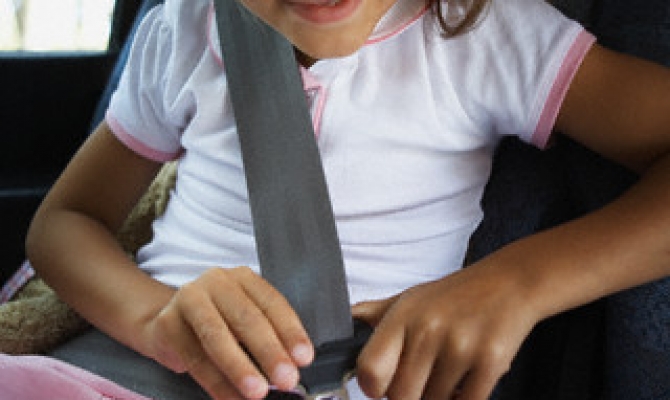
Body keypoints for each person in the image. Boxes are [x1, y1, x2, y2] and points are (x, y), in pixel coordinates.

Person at [24, 0, 670, 399]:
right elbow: (66, 221)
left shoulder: (485, 33)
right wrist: (154, 319)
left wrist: (517, 284)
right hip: (125, 368)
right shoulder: (186, 27)